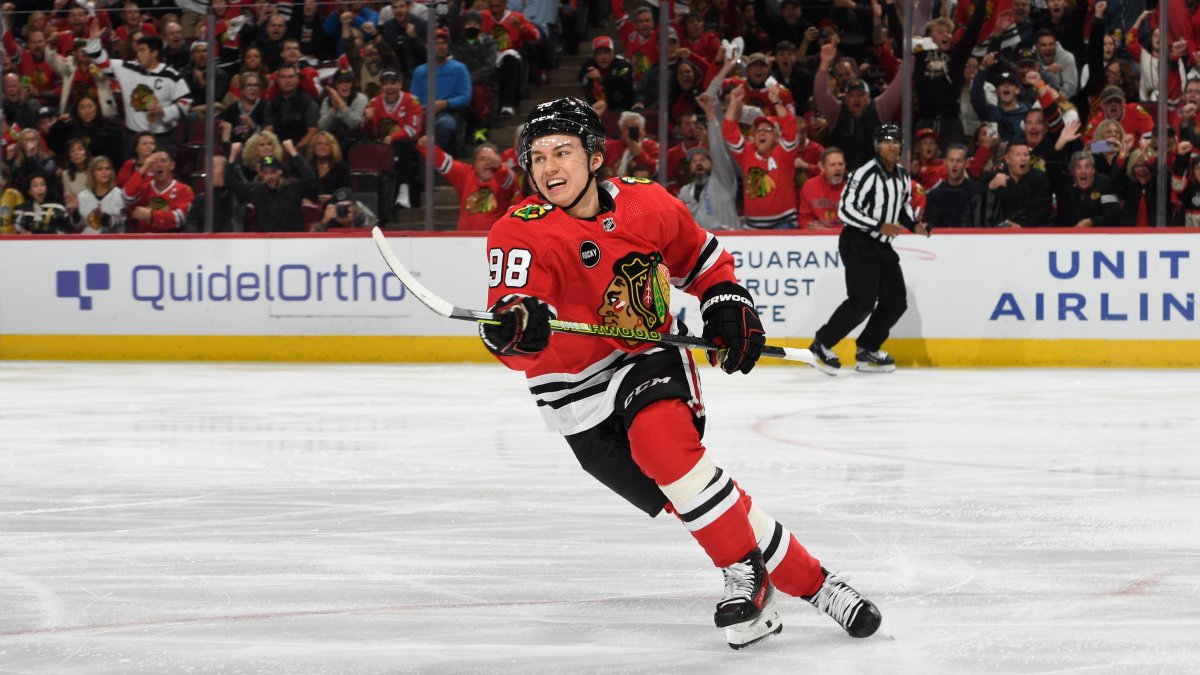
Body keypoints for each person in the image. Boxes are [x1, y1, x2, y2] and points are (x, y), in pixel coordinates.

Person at [480, 97, 882, 649]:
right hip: (572, 398)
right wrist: (515, 330)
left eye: (563, 152)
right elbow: (515, 320)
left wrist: (725, 300)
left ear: (594, 157)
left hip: (646, 356)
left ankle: (744, 576)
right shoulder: (518, 232)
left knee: (665, 451)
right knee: (695, 495)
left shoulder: (646, 203)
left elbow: (703, 261)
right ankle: (819, 585)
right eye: (539, 156)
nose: (549, 167)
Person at [810, 124, 928, 375]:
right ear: (876, 146)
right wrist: (878, 225)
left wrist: (914, 224)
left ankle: (867, 349)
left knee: (896, 302)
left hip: (882, 245)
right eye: (886, 140)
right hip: (858, 242)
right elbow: (846, 209)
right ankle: (821, 344)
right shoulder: (864, 174)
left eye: (896, 140)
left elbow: (903, 206)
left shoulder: (902, 175)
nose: (892, 145)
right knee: (862, 302)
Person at [85, 24, 190, 153]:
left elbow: (186, 103)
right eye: (138, 50)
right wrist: (94, 41)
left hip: (162, 139)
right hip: (133, 138)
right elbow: (101, 61)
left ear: (154, 53)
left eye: (142, 50)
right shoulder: (127, 68)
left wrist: (163, 111)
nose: (138, 54)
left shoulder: (172, 76)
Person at [723, 85, 800, 229]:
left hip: (783, 224)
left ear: (777, 137)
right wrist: (733, 103)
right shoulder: (746, 153)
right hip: (752, 226)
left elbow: (790, 127)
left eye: (767, 130)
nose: (762, 133)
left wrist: (776, 102)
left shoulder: (784, 153)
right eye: (758, 130)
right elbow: (729, 131)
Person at [416, 136, 518, 231]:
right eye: (482, 159)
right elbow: (443, 162)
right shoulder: (466, 175)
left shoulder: (504, 178)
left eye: (491, 159)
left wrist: (499, 167)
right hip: (464, 240)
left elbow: (510, 181)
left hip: (494, 240)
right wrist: (427, 147)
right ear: (475, 163)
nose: (487, 163)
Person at [227, 138, 316, 232]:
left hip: (292, 239)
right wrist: (232, 156)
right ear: (261, 174)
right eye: (266, 173)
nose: (269, 176)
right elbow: (231, 183)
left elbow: (310, 178)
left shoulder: (293, 187)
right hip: (267, 240)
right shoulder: (256, 190)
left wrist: (293, 152)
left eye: (273, 172)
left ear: (280, 171)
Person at [982, 139, 1055, 227]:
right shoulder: (993, 177)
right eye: (1018, 155)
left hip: (1033, 229)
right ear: (1007, 159)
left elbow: (1044, 211)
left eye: (1026, 155)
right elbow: (977, 205)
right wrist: (990, 187)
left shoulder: (1040, 178)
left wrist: (1022, 226)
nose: (1023, 158)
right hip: (1000, 229)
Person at [121, 150, 194, 233]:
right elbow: (127, 196)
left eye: (163, 161)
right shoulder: (144, 188)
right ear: (151, 167)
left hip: (170, 238)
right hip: (144, 238)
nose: (159, 165)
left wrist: (152, 215)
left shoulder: (184, 190)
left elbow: (180, 218)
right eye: (155, 162)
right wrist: (144, 167)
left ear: (172, 165)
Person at [1056, 151, 1121, 227]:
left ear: (1093, 170)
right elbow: (1063, 219)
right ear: (1072, 172)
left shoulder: (1106, 184)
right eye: (1078, 167)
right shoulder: (1065, 188)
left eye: (1087, 167)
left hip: (1101, 232)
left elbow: (1112, 216)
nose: (1083, 172)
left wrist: (1091, 222)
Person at [925, 143, 981, 229]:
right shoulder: (935, 194)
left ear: (966, 163)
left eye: (959, 161)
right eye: (951, 160)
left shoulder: (976, 192)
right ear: (945, 162)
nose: (954, 165)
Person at [797, 147, 847, 229]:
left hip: (843, 234)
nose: (838, 168)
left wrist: (830, 232)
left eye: (841, 164)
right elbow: (804, 219)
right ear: (822, 167)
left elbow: (856, 222)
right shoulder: (809, 186)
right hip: (817, 234)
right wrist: (812, 227)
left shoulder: (853, 188)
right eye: (832, 165)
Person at [75, 155, 124, 234]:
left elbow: (122, 220)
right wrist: (74, 211)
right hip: (88, 239)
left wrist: (102, 217)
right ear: (93, 173)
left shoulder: (119, 194)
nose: (104, 172)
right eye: (100, 169)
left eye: (107, 169)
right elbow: (78, 225)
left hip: (113, 239)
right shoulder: (82, 196)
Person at [312, 186, 378, 231]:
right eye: (340, 206)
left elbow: (368, 242)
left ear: (355, 206)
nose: (343, 209)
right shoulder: (333, 215)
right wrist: (323, 222)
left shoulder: (365, 217)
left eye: (347, 206)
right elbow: (312, 241)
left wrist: (349, 225)